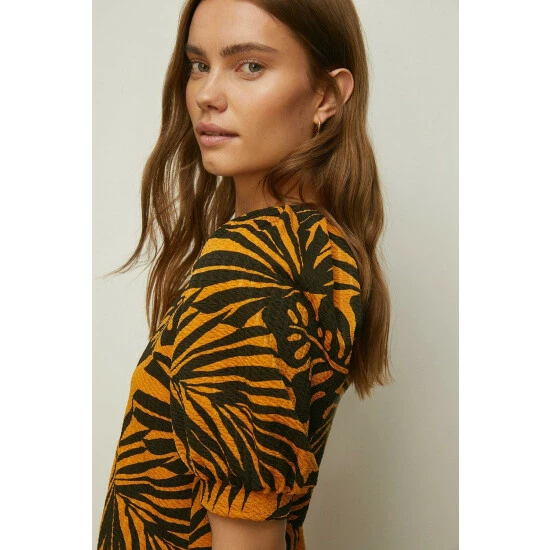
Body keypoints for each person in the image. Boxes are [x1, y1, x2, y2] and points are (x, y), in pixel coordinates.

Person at [96, 0, 392, 548]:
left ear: (327, 96)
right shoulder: (318, 248)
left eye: (250, 65)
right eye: (199, 64)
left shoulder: (248, 266)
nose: (207, 94)